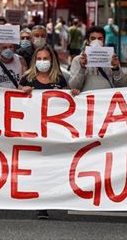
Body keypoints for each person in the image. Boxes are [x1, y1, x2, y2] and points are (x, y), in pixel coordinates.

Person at [18, 44, 78, 219]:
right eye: (39, 59)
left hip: (54, 131)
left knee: (51, 167)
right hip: (33, 129)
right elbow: (14, 102)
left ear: (51, 61)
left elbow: (67, 100)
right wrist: (22, 92)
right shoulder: (26, 79)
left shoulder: (59, 79)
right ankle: (40, 204)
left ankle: (48, 200)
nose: (42, 62)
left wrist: (73, 93)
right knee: (37, 166)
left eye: (46, 59)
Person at [69, 26, 126, 91]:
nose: (96, 41)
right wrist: (82, 68)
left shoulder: (111, 58)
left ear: (104, 41)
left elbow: (121, 85)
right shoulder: (78, 59)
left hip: (107, 98)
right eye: (93, 39)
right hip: (88, 99)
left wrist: (116, 69)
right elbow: (73, 86)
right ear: (87, 41)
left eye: (100, 39)